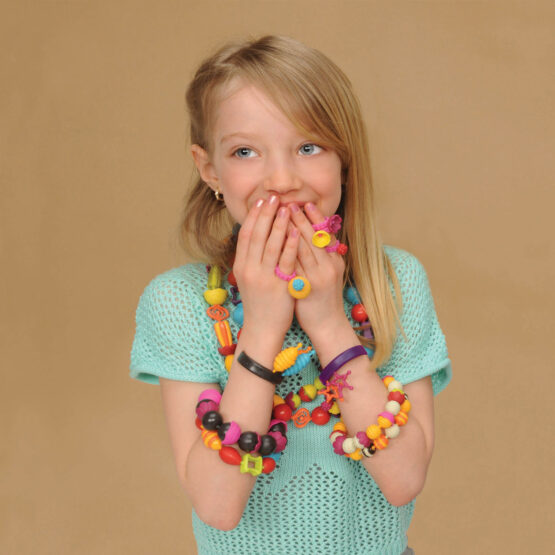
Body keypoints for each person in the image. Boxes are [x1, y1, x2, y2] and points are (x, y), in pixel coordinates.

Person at [130, 35, 451, 555]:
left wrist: (328, 323)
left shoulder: (395, 282)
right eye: (245, 152)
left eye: (308, 147)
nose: (281, 179)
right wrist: (261, 327)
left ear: (344, 159)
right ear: (210, 169)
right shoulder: (179, 302)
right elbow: (218, 505)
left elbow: (404, 479)